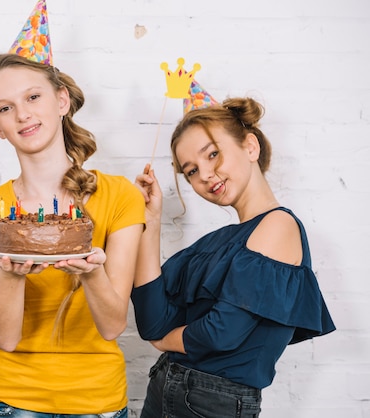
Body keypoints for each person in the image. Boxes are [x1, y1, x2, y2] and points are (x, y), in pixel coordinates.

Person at [0, 53, 146, 417]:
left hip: (99, 400)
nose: (22, 115)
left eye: (33, 97)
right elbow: (5, 338)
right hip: (11, 402)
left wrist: (91, 272)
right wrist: (12, 277)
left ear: (61, 100)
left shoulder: (120, 196)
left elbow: (112, 326)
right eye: (4, 108)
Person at [132, 97, 336, 417]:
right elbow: (151, 321)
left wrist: (164, 341)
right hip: (165, 386)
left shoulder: (278, 225)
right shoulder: (218, 242)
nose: (205, 175)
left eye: (213, 154)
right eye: (191, 171)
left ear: (250, 147)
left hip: (210, 402)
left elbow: (220, 332)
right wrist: (151, 219)